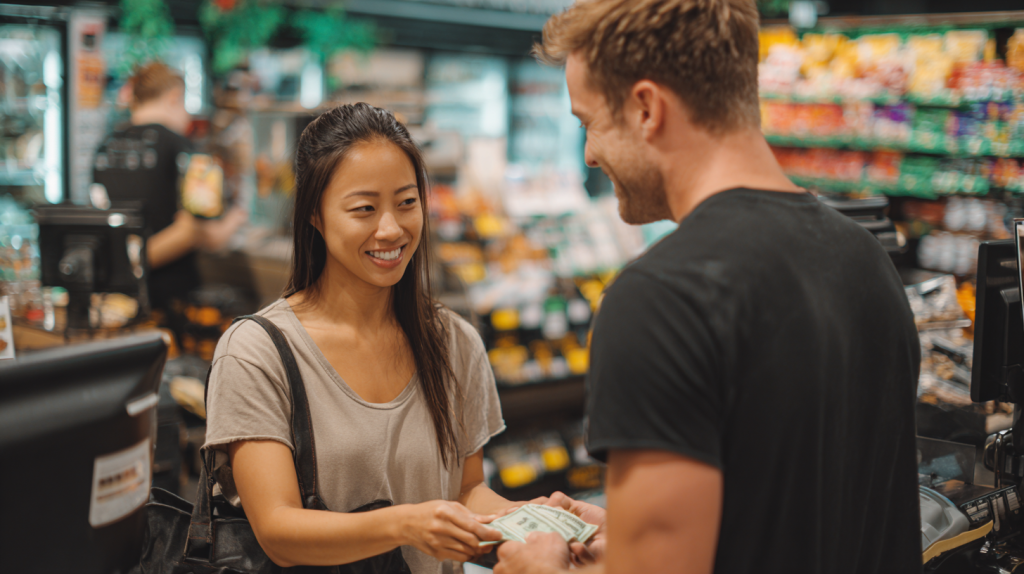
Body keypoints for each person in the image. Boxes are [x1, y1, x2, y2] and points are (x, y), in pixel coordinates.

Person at [494, 1, 922, 573]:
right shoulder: (864, 256)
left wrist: (542, 570)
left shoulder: (660, 298)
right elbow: (799, 509)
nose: (590, 155)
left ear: (646, 108)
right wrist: (636, 530)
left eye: (588, 122)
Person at [203, 103, 517, 574]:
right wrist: (405, 524)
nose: (391, 229)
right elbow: (278, 531)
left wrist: (529, 518)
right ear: (314, 214)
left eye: (407, 202)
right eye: (364, 209)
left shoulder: (454, 341)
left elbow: (467, 490)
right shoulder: (256, 352)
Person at [92, 61, 246, 321]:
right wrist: (238, 216)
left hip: (116, 301)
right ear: (174, 96)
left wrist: (124, 263)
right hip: (172, 301)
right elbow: (201, 234)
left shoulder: (104, 146)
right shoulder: (184, 148)